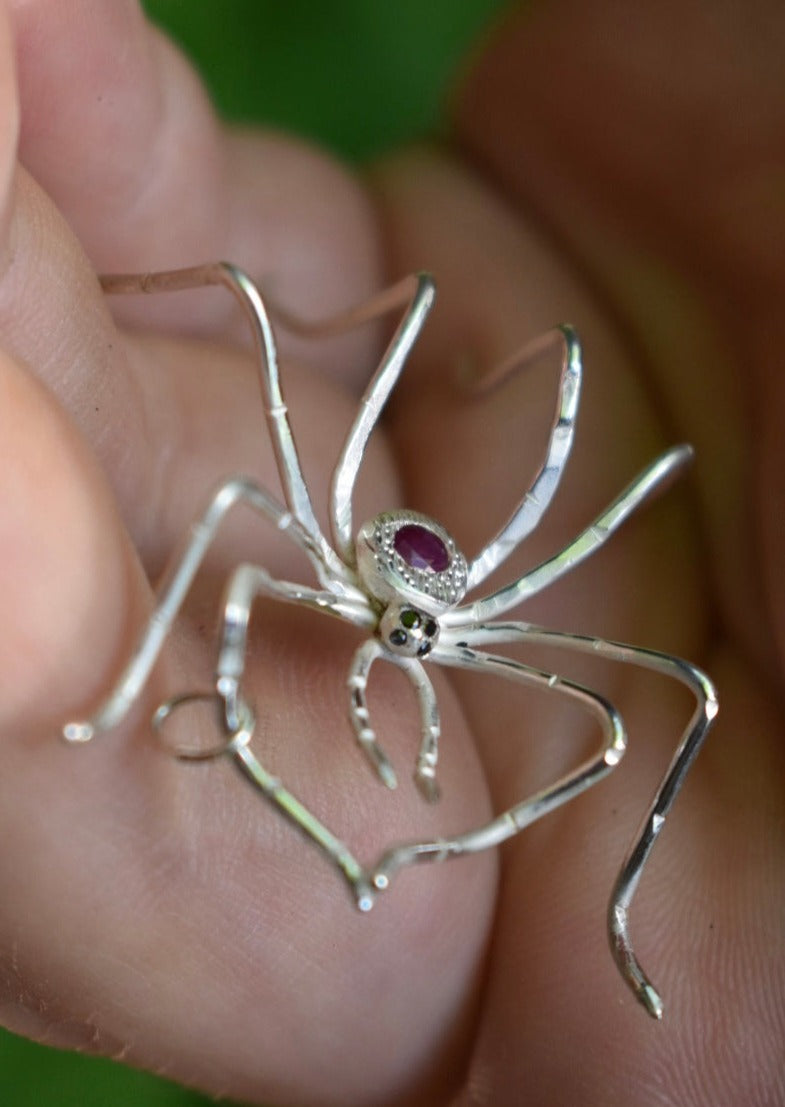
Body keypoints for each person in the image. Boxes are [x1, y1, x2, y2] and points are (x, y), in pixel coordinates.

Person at [0, 1, 782, 1104]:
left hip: (460, 580)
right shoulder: (325, 562)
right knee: (251, 334)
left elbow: (658, 698)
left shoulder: (477, 627)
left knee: (650, 707)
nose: (398, 646)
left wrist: (489, 869)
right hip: (359, 545)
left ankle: (495, 885)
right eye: (398, 638)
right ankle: (95, 323)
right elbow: (241, 490)